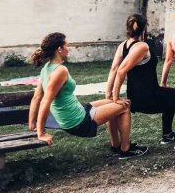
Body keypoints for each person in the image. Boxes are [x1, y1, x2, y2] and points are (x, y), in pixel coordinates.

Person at [28, 32, 148, 160]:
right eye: (67, 45)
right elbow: (44, 101)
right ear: (60, 49)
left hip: (76, 112)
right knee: (124, 106)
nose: (69, 49)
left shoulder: (46, 68)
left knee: (112, 101)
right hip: (78, 122)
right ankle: (126, 149)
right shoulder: (60, 71)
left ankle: (116, 145)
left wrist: (31, 124)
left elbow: (36, 98)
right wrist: (41, 133)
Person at [107, 14, 175, 150]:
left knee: (170, 95)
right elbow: (120, 71)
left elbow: (113, 69)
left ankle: (167, 134)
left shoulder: (123, 46)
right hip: (149, 99)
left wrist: (108, 94)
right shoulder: (142, 47)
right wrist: (115, 98)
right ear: (144, 28)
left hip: (136, 98)